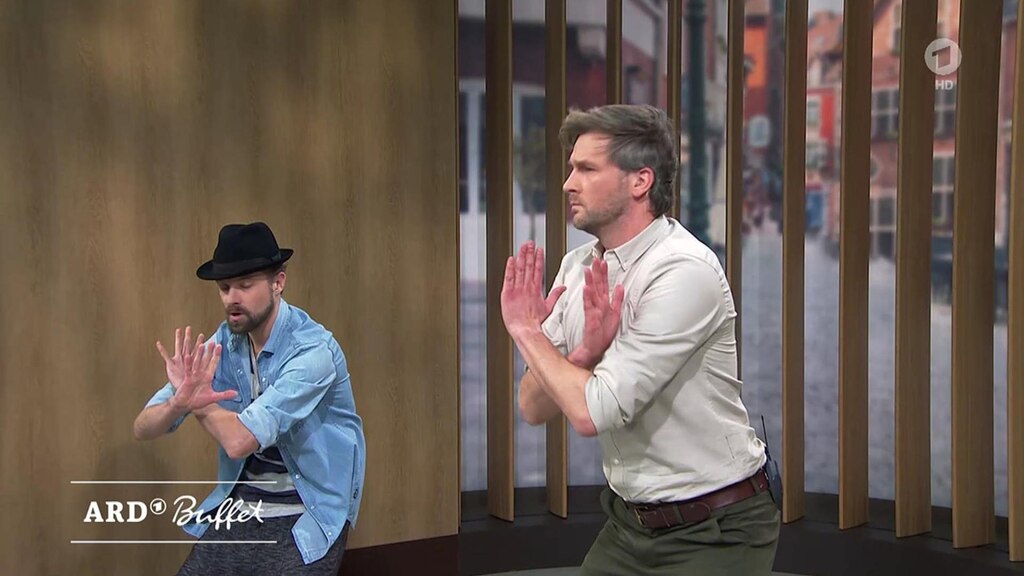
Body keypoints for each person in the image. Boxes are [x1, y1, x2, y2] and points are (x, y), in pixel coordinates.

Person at [500, 105, 780, 575]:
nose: (568, 184)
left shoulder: (683, 270)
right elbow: (532, 406)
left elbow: (592, 413)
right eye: (571, 169)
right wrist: (584, 354)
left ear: (640, 181)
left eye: (587, 169)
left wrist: (528, 332)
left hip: (717, 525)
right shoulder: (577, 267)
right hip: (629, 524)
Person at [133, 222, 365, 576]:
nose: (232, 298)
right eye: (225, 288)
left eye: (245, 285)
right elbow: (143, 427)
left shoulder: (313, 351)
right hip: (243, 505)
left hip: (309, 510)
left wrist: (197, 401)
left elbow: (240, 441)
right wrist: (177, 403)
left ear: (278, 283)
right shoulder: (224, 343)